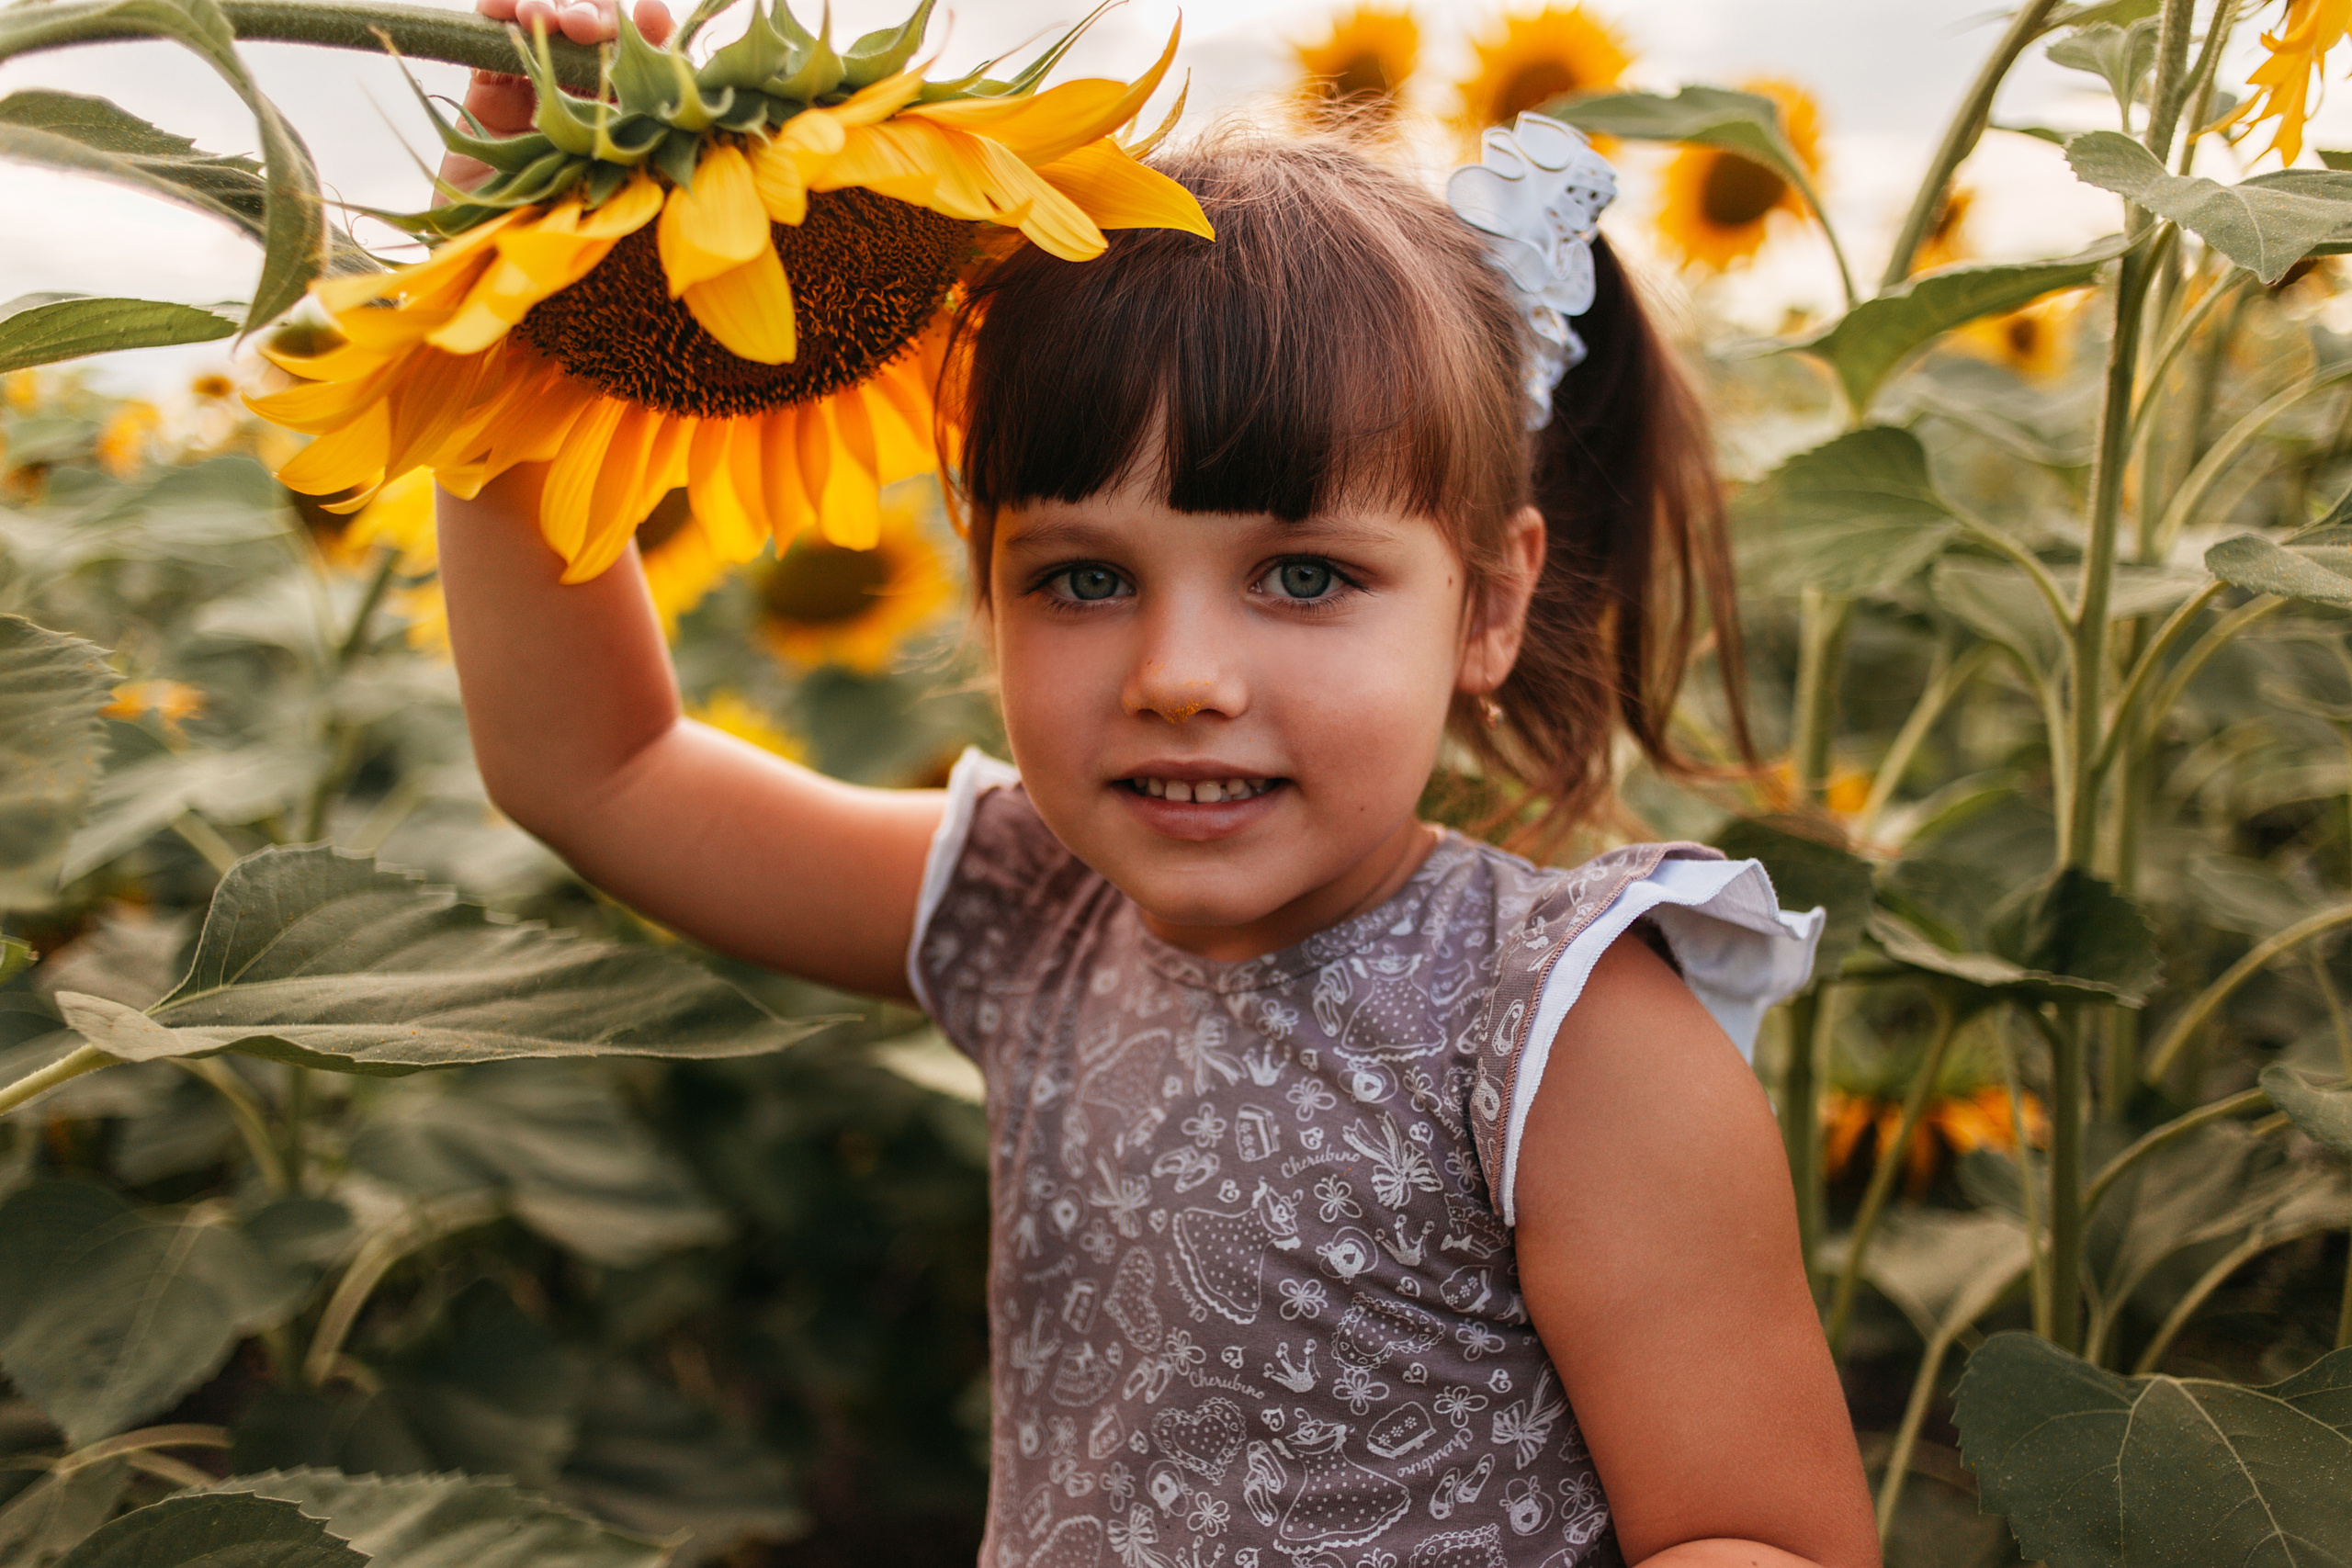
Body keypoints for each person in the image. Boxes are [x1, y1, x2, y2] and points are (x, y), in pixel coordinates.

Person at [433, 2, 1881, 1562]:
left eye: (1307, 577)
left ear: (1490, 604)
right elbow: (597, 766)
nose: (1179, 673)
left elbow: (1762, 1538)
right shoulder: (1035, 915)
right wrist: (523, 257)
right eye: (1080, 579)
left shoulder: (1563, 1031)